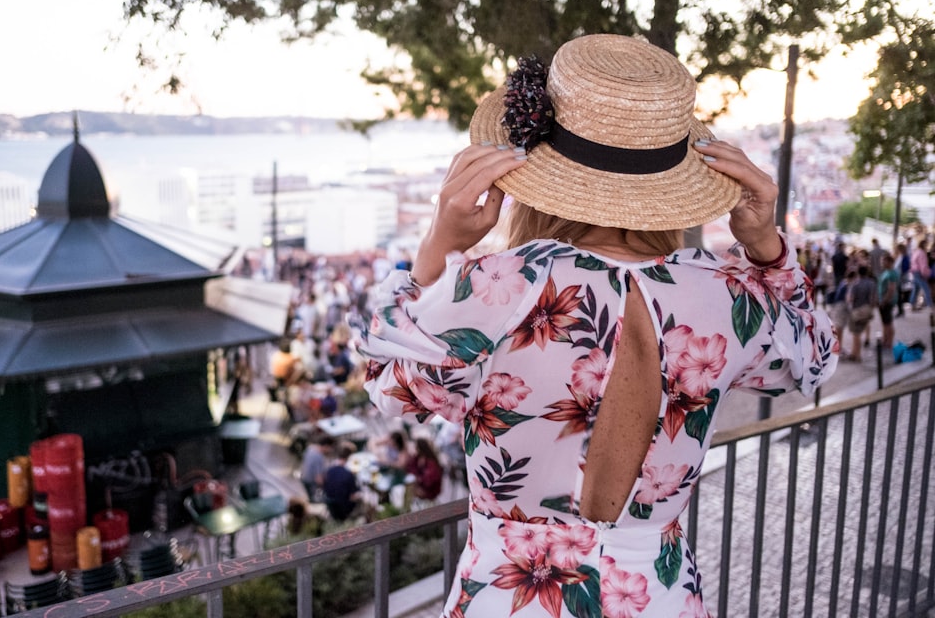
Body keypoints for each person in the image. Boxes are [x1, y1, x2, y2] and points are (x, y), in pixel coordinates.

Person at [354, 34, 837, 617]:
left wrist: (436, 249)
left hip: (513, 599)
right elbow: (815, 359)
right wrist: (765, 247)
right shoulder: (726, 294)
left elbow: (387, 383)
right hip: (657, 600)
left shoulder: (502, 283)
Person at [321, 442, 364, 522]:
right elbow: (353, 496)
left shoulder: (329, 470)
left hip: (331, 505)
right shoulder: (348, 474)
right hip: (343, 509)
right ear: (349, 457)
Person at [300, 434, 334, 502]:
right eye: (330, 448)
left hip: (303, 477)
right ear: (326, 446)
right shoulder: (319, 457)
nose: (331, 450)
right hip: (310, 482)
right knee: (316, 500)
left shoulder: (310, 448)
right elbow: (318, 479)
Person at [408, 437, 444, 501]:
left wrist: (418, 480)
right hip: (421, 485)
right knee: (407, 490)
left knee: (408, 492)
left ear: (419, 448)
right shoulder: (417, 458)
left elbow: (429, 481)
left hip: (430, 490)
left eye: (414, 447)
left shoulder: (430, 462)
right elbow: (410, 468)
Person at [877, 253, 900, 350]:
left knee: (888, 322)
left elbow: (891, 289)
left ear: (889, 262)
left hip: (887, 301)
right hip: (883, 300)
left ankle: (889, 342)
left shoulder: (892, 273)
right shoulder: (886, 272)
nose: (882, 263)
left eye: (884, 261)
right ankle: (885, 339)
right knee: (885, 322)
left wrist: (885, 300)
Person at [910, 239, 932, 310]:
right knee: (926, 289)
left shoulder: (916, 252)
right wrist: (925, 274)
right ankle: (930, 305)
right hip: (920, 272)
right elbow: (923, 265)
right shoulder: (922, 253)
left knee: (916, 289)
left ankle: (912, 304)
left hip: (914, 271)